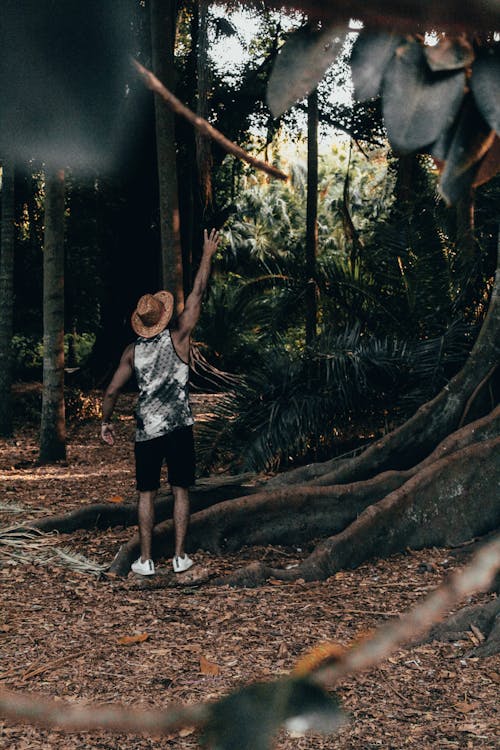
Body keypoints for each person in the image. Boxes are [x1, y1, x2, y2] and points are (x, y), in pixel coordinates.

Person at [101, 228, 220, 576]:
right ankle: (180, 556)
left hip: (147, 432)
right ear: (163, 317)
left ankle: (146, 560)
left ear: (142, 324)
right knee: (181, 490)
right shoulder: (181, 336)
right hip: (180, 426)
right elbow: (197, 292)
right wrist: (207, 254)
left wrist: (106, 423)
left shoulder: (132, 352)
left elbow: (110, 392)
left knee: (146, 494)